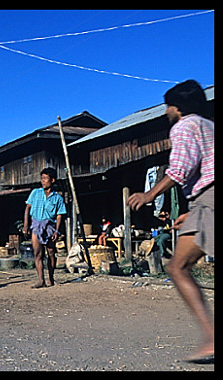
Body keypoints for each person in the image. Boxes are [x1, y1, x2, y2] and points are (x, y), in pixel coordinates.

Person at [127, 80, 213, 364]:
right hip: (205, 202)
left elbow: (180, 169)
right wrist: (192, 211)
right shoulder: (209, 125)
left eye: (168, 106)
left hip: (209, 200)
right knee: (179, 266)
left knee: (177, 267)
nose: (166, 111)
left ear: (177, 107)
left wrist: (149, 194)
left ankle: (212, 339)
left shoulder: (184, 126)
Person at [22, 167, 66, 288]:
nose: (43, 181)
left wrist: (57, 231)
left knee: (51, 253)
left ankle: (51, 278)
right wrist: (26, 225)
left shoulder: (57, 198)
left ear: (52, 180)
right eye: (42, 178)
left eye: (45, 178)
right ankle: (41, 280)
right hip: (36, 225)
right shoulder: (35, 193)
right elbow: (27, 208)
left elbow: (59, 216)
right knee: (38, 254)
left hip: (50, 227)